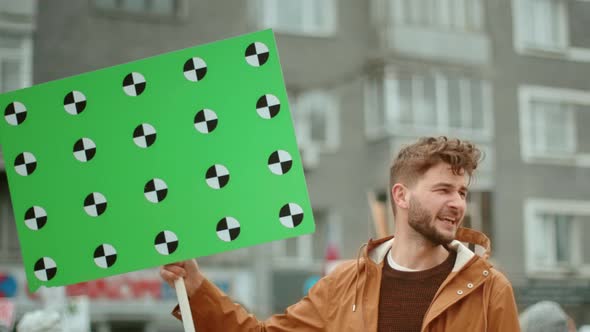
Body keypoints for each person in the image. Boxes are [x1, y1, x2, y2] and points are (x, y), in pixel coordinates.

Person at [160, 136, 520, 331]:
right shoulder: (344, 285)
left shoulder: (488, 289)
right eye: (443, 190)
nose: (458, 203)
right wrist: (196, 289)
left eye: (462, 192)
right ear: (401, 196)